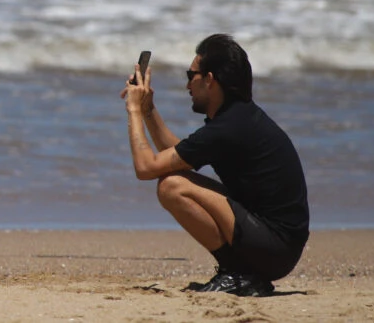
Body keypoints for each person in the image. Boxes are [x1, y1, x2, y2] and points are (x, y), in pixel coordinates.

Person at [120, 33, 309, 297]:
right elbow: (173, 155)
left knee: (172, 187)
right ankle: (242, 274)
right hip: (277, 244)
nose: (187, 86)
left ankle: (236, 273)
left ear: (209, 80)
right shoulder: (237, 117)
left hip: (274, 247)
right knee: (174, 177)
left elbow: (145, 167)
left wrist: (134, 112)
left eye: (191, 75)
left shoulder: (229, 127)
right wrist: (148, 110)